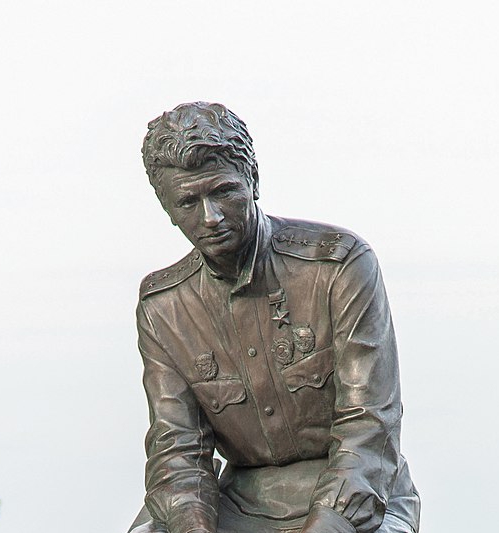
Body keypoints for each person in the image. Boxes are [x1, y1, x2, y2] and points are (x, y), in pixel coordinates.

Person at [130, 102, 421, 533]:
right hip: (238, 503)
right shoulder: (163, 308)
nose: (210, 217)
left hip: (356, 494)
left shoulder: (338, 266)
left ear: (253, 179)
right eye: (188, 201)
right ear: (167, 208)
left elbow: (369, 426)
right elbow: (178, 453)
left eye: (223, 192)